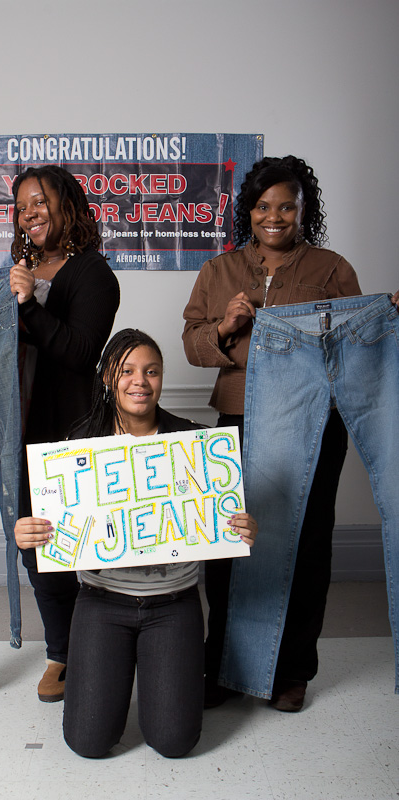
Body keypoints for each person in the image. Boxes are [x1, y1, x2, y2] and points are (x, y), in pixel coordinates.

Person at [0, 165, 120, 716]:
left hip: (49, 430)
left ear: (68, 206)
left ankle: (67, 653)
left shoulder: (94, 274)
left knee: (39, 548)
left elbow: (81, 354)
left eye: (40, 201)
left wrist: (29, 303)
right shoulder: (18, 268)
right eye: (21, 206)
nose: (28, 213)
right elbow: (1, 347)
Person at [15, 328, 258, 758]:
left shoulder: (193, 443)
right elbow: (55, 530)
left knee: (174, 741)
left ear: (162, 378)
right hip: (101, 602)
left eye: (152, 371)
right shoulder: (77, 446)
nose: (139, 381)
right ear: (108, 376)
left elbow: (218, 522)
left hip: (174, 604)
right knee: (87, 742)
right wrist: (28, 536)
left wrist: (240, 526)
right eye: (126, 370)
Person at [183, 154, 364, 712]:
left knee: (306, 544)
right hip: (239, 418)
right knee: (229, 542)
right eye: (263, 206)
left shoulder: (332, 269)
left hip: (314, 423)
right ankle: (224, 666)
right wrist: (227, 325)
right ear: (249, 211)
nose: (275, 217)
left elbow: (356, 347)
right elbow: (192, 347)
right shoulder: (218, 271)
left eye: (287, 206)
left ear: (304, 210)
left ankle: (292, 672)